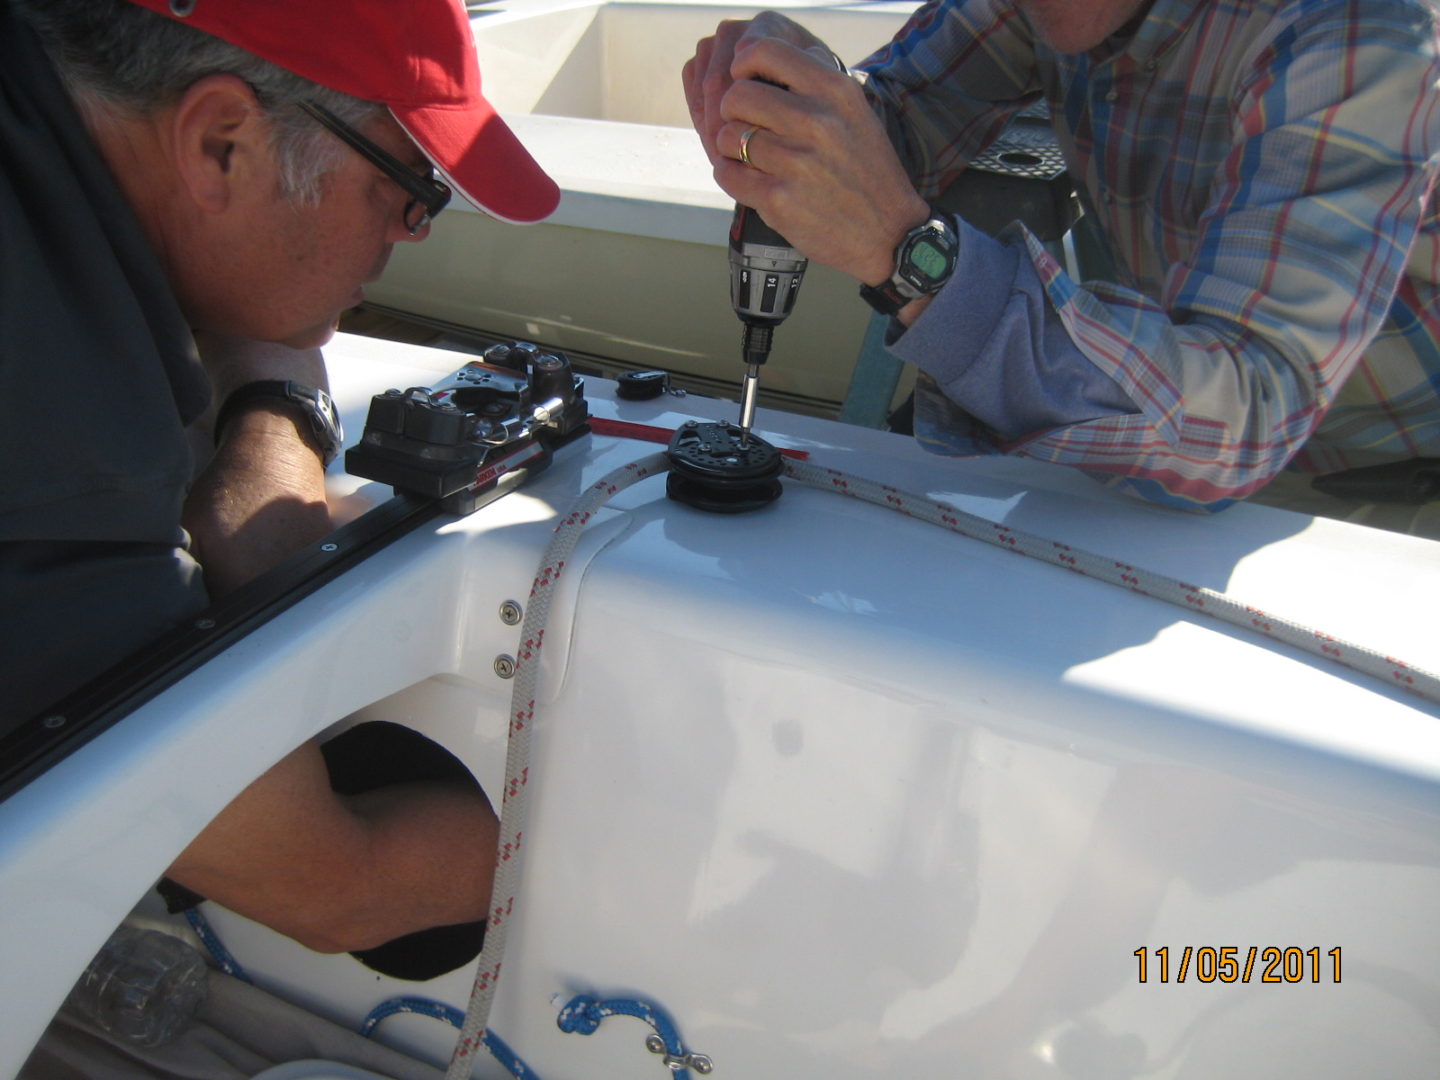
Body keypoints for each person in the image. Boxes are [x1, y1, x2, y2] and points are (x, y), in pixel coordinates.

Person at [0, 0, 558, 953]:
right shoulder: (61, 429)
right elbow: (338, 886)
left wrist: (265, 455)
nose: (416, 228)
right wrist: (630, 840)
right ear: (221, 142)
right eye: (405, 182)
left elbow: (265, 313)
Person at [682, 0, 1440, 532]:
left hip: (1383, 489)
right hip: (1174, 448)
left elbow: (1249, 412)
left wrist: (910, 257)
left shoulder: (1363, 27)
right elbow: (902, 112)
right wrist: (801, 100)